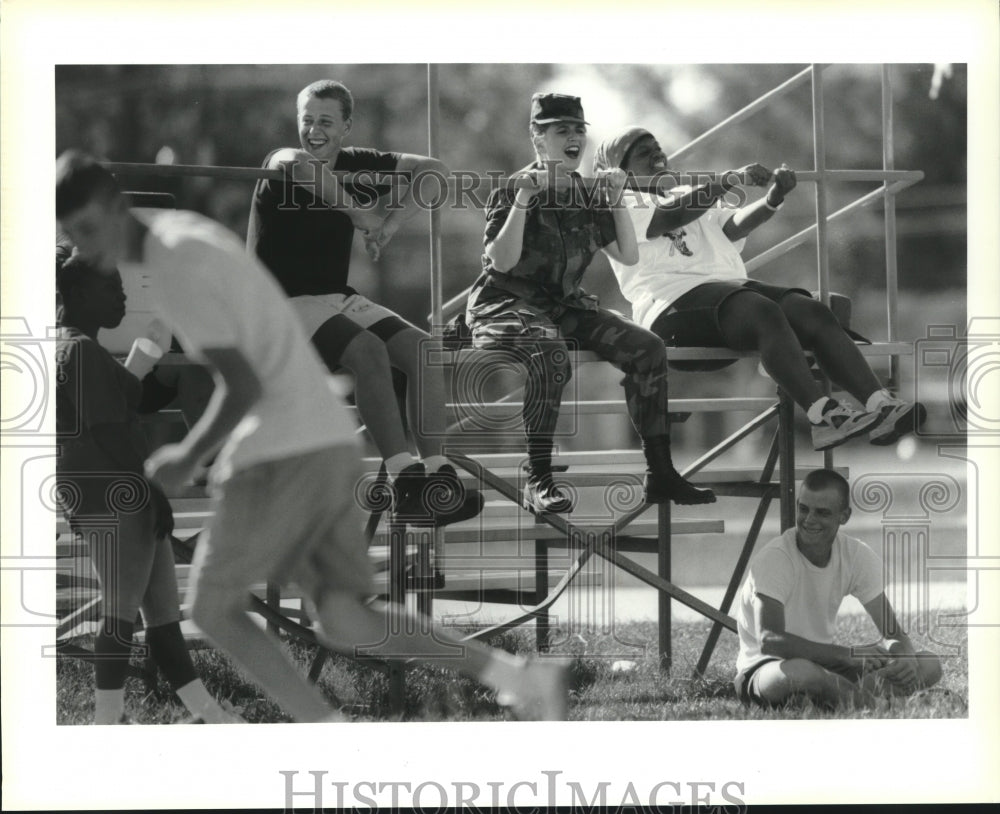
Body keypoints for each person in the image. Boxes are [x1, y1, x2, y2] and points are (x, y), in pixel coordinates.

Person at [56, 150, 568, 722]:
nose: (84, 247)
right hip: (323, 438)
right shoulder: (187, 234)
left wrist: (187, 454)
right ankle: (515, 676)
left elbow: (242, 384)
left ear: (114, 206)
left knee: (213, 608)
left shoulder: (173, 262)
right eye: (71, 235)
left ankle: (326, 733)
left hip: (280, 450)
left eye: (87, 229)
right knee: (346, 618)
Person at [593, 127, 925, 451]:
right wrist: (727, 180)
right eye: (643, 152)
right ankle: (823, 416)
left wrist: (772, 199)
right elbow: (669, 218)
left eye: (657, 147)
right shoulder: (621, 202)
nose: (657, 155)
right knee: (760, 309)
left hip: (727, 294)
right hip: (670, 310)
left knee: (811, 310)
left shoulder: (684, 192)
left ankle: (881, 405)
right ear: (618, 170)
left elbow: (732, 226)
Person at [465, 94, 715, 513]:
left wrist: (615, 198)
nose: (574, 137)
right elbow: (501, 261)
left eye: (579, 129)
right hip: (506, 305)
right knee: (549, 353)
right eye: (561, 129)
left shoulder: (587, 192)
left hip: (565, 306)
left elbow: (628, 255)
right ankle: (538, 478)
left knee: (647, 347)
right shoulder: (514, 188)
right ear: (538, 138)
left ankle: (661, 473)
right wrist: (525, 201)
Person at [247, 79, 480, 526]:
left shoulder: (359, 163)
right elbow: (297, 164)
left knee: (424, 351)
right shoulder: (280, 163)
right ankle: (403, 480)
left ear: (347, 126)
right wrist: (361, 213)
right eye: (307, 120)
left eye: (326, 122)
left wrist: (389, 225)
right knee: (368, 351)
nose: (314, 131)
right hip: (280, 301)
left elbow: (435, 171)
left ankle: (435, 475)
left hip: (333, 297)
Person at [55, 247, 238, 724]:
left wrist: (152, 347)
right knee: (119, 617)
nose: (121, 295)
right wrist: (151, 489)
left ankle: (211, 716)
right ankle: (106, 724)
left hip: (113, 494)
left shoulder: (74, 347)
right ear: (75, 293)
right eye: (110, 287)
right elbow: (109, 429)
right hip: (118, 496)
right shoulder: (81, 349)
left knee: (163, 618)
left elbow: (127, 394)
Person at [733, 468, 942, 709]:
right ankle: (876, 705)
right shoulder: (775, 558)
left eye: (822, 512)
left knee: (928, 663)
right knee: (804, 674)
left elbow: (892, 633)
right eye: (803, 509)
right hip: (767, 669)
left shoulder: (855, 554)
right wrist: (845, 655)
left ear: (844, 516)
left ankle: (830, 698)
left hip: (827, 667)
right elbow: (770, 640)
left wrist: (904, 658)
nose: (809, 520)